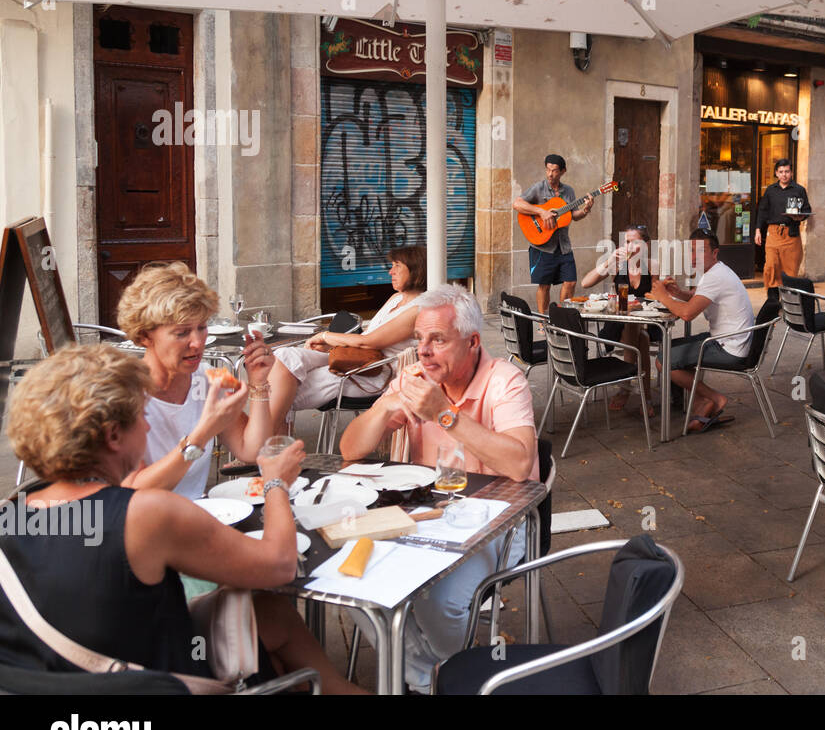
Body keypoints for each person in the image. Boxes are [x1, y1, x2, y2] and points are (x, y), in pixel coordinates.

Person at [0, 345, 365, 693]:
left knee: (267, 614)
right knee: (253, 612)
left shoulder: (10, 516)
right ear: (113, 436)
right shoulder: (143, 513)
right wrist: (275, 484)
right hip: (157, 684)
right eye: (140, 417)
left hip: (70, 702)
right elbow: (281, 565)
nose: (146, 428)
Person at [339, 285, 537, 692]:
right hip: (420, 516)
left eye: (438, 340)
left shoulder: (506, 381)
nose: (424, 351)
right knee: (348, 584)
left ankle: (437, 671)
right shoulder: (412, 378)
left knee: (438, 600)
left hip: (496, 522)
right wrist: (382, 414)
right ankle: (433, 676)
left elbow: (520, 464)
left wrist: (444, 415)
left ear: (472, 341)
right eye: (419, 339)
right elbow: (349, 449)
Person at [114, 262, 273, 499]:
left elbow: (251, 450)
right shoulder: (121, 395)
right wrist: (201, 435)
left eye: (202, 327)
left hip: (197, 515)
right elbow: (132, 492)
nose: (198, 342)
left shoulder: (208, 377)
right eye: (182, 333)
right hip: (144, 526)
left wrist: (258, 383)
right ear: (145, 335)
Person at [266, 246, 425, 430]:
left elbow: (369, 341)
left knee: (282, 391)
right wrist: (330, 349)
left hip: (374, 371)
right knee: (285, 356)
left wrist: (326, 336)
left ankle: (265, 448)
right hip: (355, 358)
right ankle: (269, 446)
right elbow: (365, 339)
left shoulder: (418, 308)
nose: (391, 271)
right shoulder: (396, 298)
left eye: (397, 265)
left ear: (416, 269)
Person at [650, 229, 755, 433]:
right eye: (691, 251)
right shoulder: (717, 272)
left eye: (700, 251)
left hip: (729, 347)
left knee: (663, 360)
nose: (693, 257)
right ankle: (701, 401)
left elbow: (688, 315)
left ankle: (714, 398)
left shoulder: (715, 276)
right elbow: (698, 297)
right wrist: (677, 293)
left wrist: (664, 297)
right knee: (672, 349)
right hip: (730, 339)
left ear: (715, 253)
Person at [580, 224, 657, 417]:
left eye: (634, 242)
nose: (628, 247)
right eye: (626, 242)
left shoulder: (653, 266)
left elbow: (656, 296)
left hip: (646, 321)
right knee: (641, 338)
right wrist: (607, 262)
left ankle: (625, 388)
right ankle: (645, 397)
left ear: (646, 244)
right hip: (617, 324)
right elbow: (585, 283)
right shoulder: (617, 264)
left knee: (641, 334)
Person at [513, 154, 593, 313]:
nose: (550, 174)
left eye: (554, 171)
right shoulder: (538, 188)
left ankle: (561, 318)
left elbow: (573, 215)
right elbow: (517, 204)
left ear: (563, 171)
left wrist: (585, 209)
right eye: (548, 170)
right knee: (544, 286)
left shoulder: (568, 191)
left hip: (563, 246)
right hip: (543, 246)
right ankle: (543, 321)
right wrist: (541, 212)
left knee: (570, 282)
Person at [754, 158, 811, 301]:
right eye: (781, 172)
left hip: (791, 235)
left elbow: (807, 210)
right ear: (776, 173)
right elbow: (762, 211)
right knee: (770, 267)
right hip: (773, 233)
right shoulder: (770, 190)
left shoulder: (799, 190)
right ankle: (772, 301)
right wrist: (758, 230)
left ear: (791, 173)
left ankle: (789, 304)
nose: (784, 174)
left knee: (790, 271)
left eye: (787, 171)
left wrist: (800, 218)